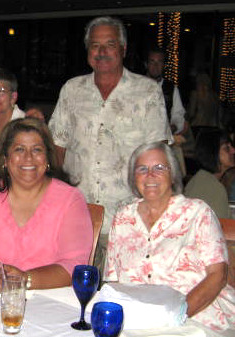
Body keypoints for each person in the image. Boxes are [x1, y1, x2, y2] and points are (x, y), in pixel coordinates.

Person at [48, 16, 172, 270]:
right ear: (87, 51)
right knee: (71, 292)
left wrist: (157, 213)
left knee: (120, 299)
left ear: (123, 50)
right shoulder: (72, 90)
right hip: (76, 219)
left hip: (129, 220)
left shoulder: (147, 92)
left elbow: (158, 158)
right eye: (95, 45)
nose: (102, 52)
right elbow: (56, 148)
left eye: (110, 44)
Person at [105, 141, 235, 333]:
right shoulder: (123, 218)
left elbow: (218, 275)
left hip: (198, 317)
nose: (150, 175)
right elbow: (113, 282)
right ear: (134, 178)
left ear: (173, 174)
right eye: (142, 169)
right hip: (138, 321)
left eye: (159, 167)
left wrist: (178, 313)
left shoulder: (197, 212)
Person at [0, 118, 93, 290]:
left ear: (47, 159)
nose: (28, 157)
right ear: (5, 159)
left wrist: (24, 279)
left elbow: (75, 267)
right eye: (19, 149)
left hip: (50, 305)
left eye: (37, 150)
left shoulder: (70, 200)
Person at [184, 129, 233, 218]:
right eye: (227, 148)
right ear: (212, 152)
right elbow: (221, 228)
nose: (233, 151)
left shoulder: (202, 179)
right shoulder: (213, 188)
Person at [146, 47, 186, 135]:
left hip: (162, 139)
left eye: (159, 62)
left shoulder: (171, 89)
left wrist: (173, 127)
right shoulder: (137, 86)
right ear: (147, 64)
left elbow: (178, 114)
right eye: (152, 61)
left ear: (164, 65)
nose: (155, 66)